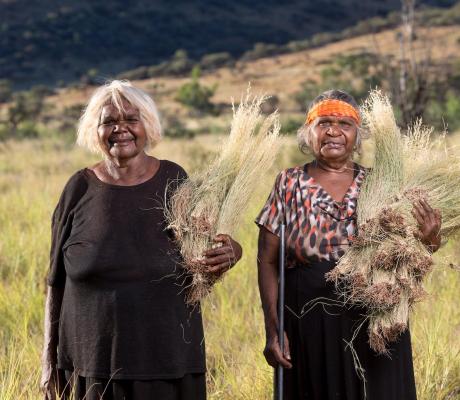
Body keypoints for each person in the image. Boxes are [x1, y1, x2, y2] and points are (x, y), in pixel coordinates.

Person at [40, 80, 242, 400]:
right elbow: (55, 281)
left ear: (147, 125)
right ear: (95, 130)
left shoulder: (174, 181)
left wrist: (231, 252)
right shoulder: (78, 189)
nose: (121, 129)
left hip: (167, 365)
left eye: (131, 120)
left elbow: (205, 254)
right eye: (109, 121)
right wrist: (48, 360)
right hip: (89, 368)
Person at [255, 89, 441, 400]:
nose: (333, 131)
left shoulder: (382, 184)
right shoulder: (288, 184)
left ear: (358, 135)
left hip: (377, 321)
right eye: (323, 122)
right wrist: (273, 330)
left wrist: (430, 238)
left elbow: (413, 252)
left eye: (345, 123)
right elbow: (267, 260)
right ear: (308, 132)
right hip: (310, 325)